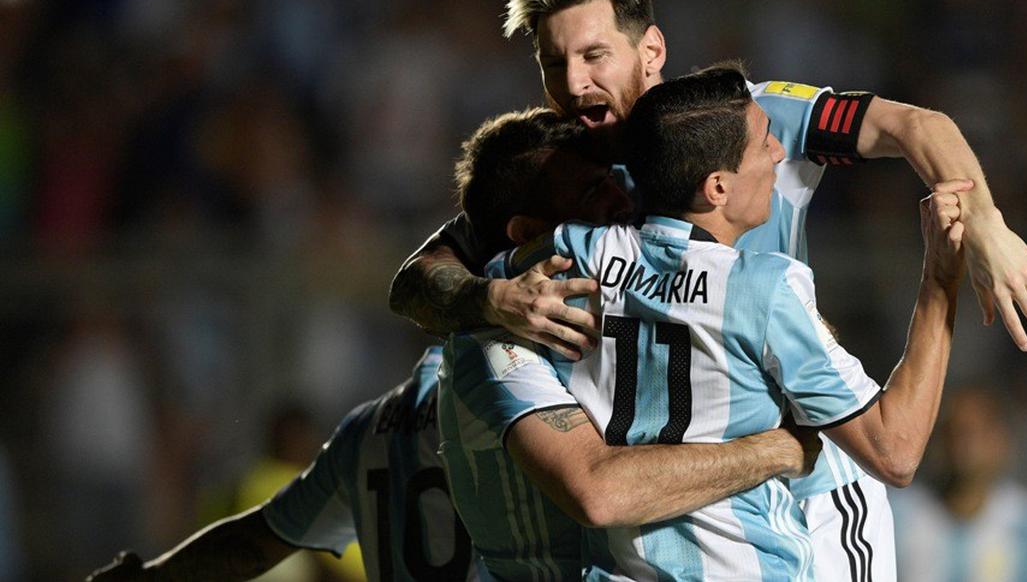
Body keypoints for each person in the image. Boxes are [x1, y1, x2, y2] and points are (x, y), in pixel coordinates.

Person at [389, 0, 1027, 358]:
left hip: (789, 456)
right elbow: (416, 282)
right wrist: (492, 300)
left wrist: (987, 223)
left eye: (593, 56)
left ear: (650, 51)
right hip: (656, 490)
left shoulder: (744, 116)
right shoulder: (552, 169)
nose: (571, 83)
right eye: (552, 64)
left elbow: (916, 126)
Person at [507, 66, 966, 579]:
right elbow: (895, 451)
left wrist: (490, 298)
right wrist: (941, 283)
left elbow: (477, 270)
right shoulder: (764, 289)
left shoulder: (573, 252)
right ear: (717, 188)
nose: (777, 154)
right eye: (765, 142)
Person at [436, 107, 825, 579]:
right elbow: (599, 492)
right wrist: (776, 450)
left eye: (612, 180)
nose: (621, 201)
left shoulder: (615, 298)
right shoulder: (495, 346)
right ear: (531, 235)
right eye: (592, 194)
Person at [86, 348, 475, 581]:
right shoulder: (499, 416)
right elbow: (338, 566)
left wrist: (152, 576)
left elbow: (247, 538)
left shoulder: (364, 431)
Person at [890, 386, 1027, 582]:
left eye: (977, 431)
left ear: (1003, 441)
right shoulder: (895, 516)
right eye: (954, 430)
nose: (965, 444)